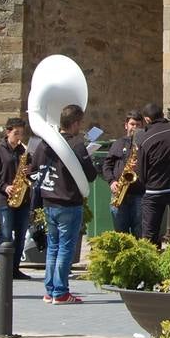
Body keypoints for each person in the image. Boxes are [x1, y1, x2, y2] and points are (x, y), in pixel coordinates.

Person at [32, 104, 98, 304]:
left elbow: (34, 169)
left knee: (53, 246)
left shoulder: (44, 143)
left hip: (48, 200)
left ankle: (50, 289)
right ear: (75, 123)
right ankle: (60, 292)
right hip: (68, 201)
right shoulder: (76, 145)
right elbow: (91, 174)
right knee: (65, 247)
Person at [132, 101, 170, 244]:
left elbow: (141, 170)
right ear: (163, 115)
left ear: (146, 119)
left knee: (150, 233)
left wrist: (146, 184)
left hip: (154, 189)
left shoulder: (143, 137)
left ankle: (151, 263)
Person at [0, 118, 32, 278]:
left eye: (21, 133)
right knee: (6, 235)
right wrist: (5, 187)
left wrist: (29, 172)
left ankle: (15, 269)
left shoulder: (24, 151)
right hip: (4, 199)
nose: (19, 137)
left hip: (23, 199)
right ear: (8, 132)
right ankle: (3, 271)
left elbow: (33, 175)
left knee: (20, 237)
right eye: (16, 133)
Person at [103, 110, 144, 236]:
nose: (135, 127)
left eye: (138, 124)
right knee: (121, 231)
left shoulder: (144, 144)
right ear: (126, 125)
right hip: (120, 193)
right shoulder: (118, 143)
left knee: (139, 230)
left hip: (139, 194)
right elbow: (107, 165)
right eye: (132, 124)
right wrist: (112, 181)